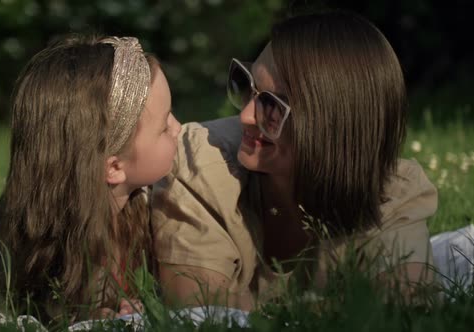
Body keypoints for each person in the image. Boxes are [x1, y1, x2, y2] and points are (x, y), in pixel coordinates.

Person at [152, 10, 439, 310]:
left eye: (272, 107)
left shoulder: (391, 193)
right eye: (248, 86)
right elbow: (200, 311)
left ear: (334, 126)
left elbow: (408, 306)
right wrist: (346, 307)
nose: (246, 115)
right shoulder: (202, 164)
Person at [0, 34, 181, 323]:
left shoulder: (135, 205)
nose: (177, 127)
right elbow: (28, 314)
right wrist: (79, 315)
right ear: (112, 168)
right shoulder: (37, 257)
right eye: (164, 126)